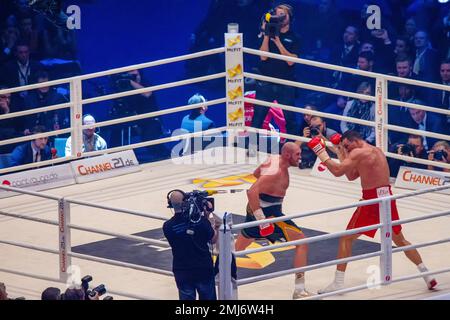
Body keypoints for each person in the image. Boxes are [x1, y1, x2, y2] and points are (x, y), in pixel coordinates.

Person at [307, 130, 437, 293]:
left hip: (372, 201)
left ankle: (338, 283)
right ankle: (428, 275)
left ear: (353, 140)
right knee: (400, 240)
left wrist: (321, 152)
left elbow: (338, 172)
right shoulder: (374, 150)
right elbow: (351, 175)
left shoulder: (358, 153)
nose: (346, 150)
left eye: (346, 146)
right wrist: (339, 150)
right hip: (387, 198)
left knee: (346, 239)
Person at [234, 142, 311, 299]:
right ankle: (299, 290)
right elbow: (251, 191)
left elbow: (256, 173)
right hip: (269, 213)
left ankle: (217, 267)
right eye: (297, 154)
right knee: (302, 242)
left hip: (255, 207)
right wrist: (262, 220)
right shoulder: (275, 172)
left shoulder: (274, 158)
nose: (300, 157)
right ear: (288, 155)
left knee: (244, 242)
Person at [250, 3, 300, 152]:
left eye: (282, 14)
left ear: (289, 18)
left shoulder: (295, 38)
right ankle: (252, 147)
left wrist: (278, 42)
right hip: (266, 82)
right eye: (277, 14)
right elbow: (263, 57)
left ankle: (293, 150)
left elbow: (291, 61)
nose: (279, 17)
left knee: (289, 118)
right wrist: (267, 35)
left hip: (285, 83)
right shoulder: (267, 34)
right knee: (258, 116)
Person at [163, 190, 219, 300]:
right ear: (185, 203)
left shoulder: (167, 226)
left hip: (182, 269)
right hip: (202, 267)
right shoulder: (200, 221)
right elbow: (213, 239)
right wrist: (211, 222)